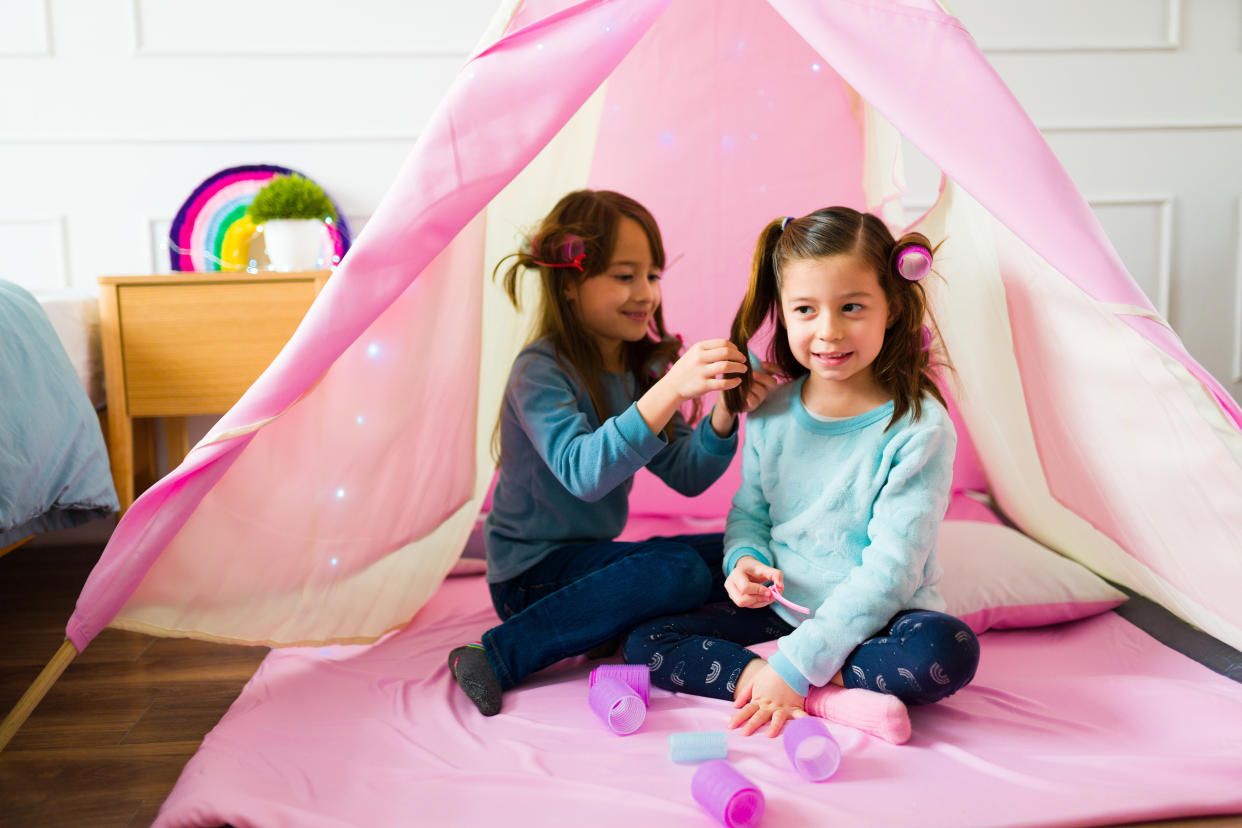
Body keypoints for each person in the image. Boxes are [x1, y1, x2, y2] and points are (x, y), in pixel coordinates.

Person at [624, 207, 980, 743]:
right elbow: (751, 513)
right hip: (783, 611)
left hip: (880, 622)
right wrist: (745, 562)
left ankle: (791, 682)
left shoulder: (919, 426)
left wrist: (793, 668)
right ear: (785, 316)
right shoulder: (772, 410)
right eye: (806, 310)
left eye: (852, 307)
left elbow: (892, 571)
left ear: (892, 308)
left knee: (945, 651)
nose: (828, 331)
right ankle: (817, 695)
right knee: (645, 642)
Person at [449, 189, 779, 716]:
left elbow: (688, 475)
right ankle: (495, 654)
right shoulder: (540, 371)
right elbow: (583, 473)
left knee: (744, 549)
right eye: (625, 276)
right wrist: (670, 391)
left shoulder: (633, 371)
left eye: (652, 276)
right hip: (529, 579)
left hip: (592, 566)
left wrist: (724, 409)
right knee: (675, 571)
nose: (644, 292)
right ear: (572, 284)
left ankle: (628, 626)